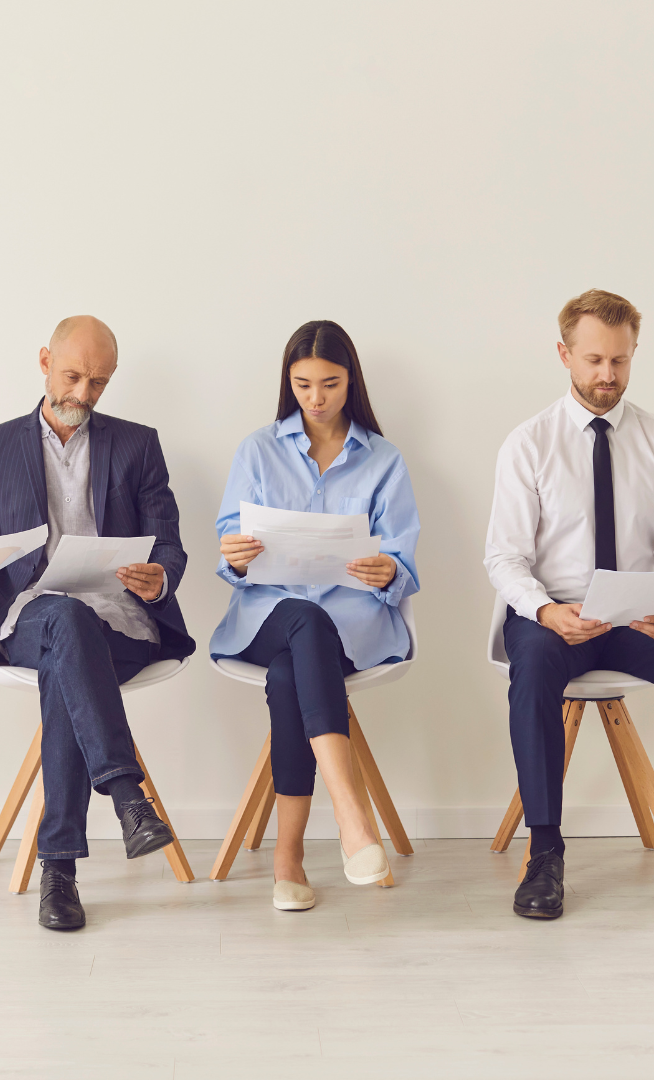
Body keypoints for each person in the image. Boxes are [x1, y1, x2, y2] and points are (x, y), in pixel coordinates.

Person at [484, 289, 654, 920]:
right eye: (594, 360)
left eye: (620, 362)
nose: (607, 376)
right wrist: (545, 611)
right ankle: (544, 853)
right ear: (564, 355)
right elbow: (504, 557)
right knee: (536, 666)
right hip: (555, 613)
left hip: (633, 612)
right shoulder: (530, 444)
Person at [0, 315, 195, 932]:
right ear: (44, 361)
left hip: (118, 620)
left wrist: (158, 576)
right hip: (28, 617)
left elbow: (170, 545)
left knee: (71, 646)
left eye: (99, 383)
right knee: (61, 619)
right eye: (73, 375)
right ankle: (127, 797)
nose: (83, 394)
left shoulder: (137, 444)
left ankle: (60, 867)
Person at [211, 320, 420, 912]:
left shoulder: (384, 460)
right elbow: (231, 551)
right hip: (265, 618)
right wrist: (237, 557)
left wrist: (388, 573)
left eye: (329, 383)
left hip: (352, 627)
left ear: (351, 380)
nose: (316, 398)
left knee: (289, 676)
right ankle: (352, 818)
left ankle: (289, 859)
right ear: (289, 382)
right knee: (302, 617)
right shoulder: (257, 450)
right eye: (303, 385)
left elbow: (403, 561)